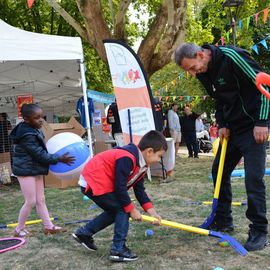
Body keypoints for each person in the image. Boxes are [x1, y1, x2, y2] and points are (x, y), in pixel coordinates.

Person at [175, 42, 269, 251]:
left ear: (200, 54)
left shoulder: (231, 57)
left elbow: (265, 85)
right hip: (233, 129)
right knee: (219, 172)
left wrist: (262, 122)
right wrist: (223, 123)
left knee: (253, 179)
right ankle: (223, 220)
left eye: (191, 67)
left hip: (254, 127)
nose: (192, 74)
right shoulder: (203, 72)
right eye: (187, 71)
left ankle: (259, 230)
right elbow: (219, 99)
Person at [72, 130, 167, 262]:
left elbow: (139, 191)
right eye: (159, 156)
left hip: (99, 181)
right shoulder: (127, 157)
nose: (158, 160)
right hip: (94, 180)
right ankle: (118, 249)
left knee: (117, 210)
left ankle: (84, 233)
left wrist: (152, 212)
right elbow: (120, 188)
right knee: (123, 209)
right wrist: (132, 210)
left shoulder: (142, 165)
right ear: (149, 151)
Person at [10, 104, 75, 237]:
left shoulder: (34, 129)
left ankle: (48, 227)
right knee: (31, 201)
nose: (41, 120)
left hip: (35, 169)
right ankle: (18, 229)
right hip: (25, 170)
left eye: (41, 117)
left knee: (40, 199)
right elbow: (39, 154)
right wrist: (59, 158)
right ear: (27, 119)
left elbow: (41, 152)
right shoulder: (27, 134)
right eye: (37, 118)